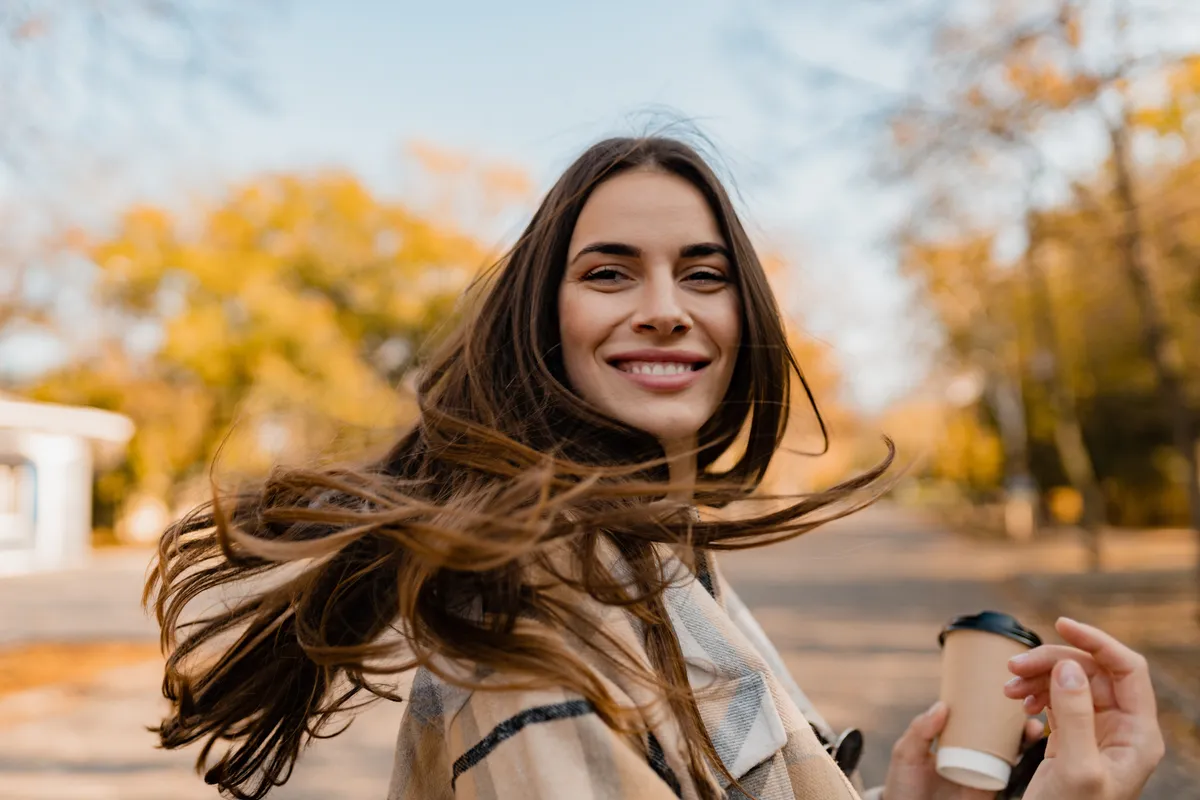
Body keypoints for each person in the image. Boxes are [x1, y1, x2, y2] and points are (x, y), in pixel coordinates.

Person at [147, 136, 1165, 800]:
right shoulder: (534, 623)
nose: (668, 305)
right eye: (609, 271)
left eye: (704, 273)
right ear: (544, 322)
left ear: (744, 319)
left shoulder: (657, 560)